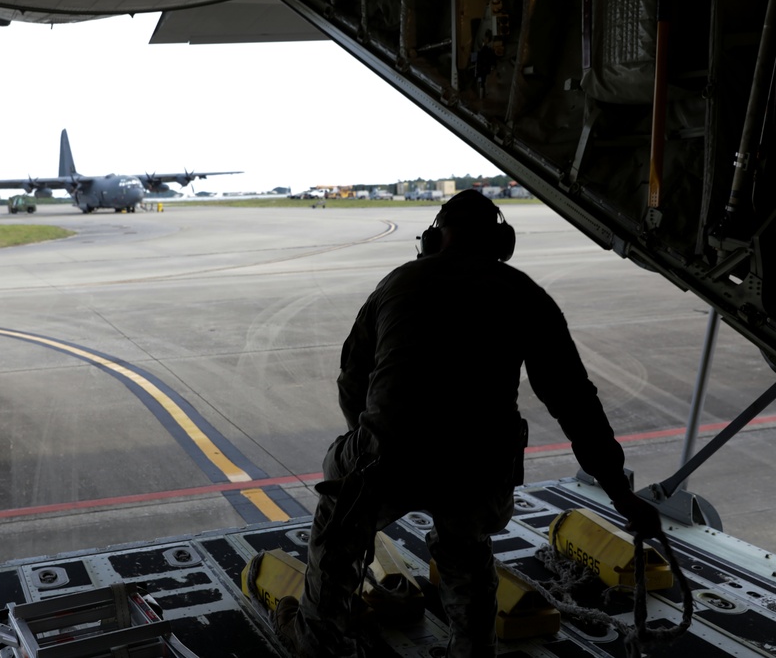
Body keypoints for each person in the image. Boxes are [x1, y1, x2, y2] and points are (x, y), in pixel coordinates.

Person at [275, 189, 662, 658]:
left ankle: (318, 637)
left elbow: (351, 383)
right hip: (479, 473)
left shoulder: (398, 282)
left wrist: (375, 444)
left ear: (435, 239)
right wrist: (621, 496)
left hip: (388, 457)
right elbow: (576, 404)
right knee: (466, 544)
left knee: (340, 521)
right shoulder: (525, 295)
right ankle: (473, 647)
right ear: (502, 242)